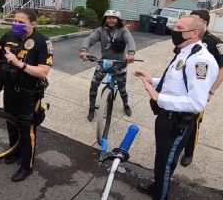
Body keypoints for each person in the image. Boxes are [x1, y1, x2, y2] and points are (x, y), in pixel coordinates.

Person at [134, 15, 218, 200]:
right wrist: (153, 80)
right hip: (166, 117)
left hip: (178, 122)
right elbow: (176, 83)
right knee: (161, 158)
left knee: (165, 163)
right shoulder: (185, 51)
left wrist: (158, 97)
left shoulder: (200, 61)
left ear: (194, 33)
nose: (174, 30)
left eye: (179, 27)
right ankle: (157, 186)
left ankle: (160, 195)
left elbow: (197, 102)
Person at [0, 8, 53, 182]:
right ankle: (13, 153)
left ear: (33, 24)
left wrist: (19, 64)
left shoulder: (42, 42)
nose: (16, 25)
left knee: (26, 129)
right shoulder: (8, 36)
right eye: (15, 21)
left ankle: (26, 165)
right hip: (9, 90)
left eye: (21, 23)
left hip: (29, 94)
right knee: (10, 124)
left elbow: (43, 72)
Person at [179, 10, 223, 167]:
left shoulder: (215, 42)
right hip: (182, 89)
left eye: (194, 19)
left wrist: (211, 91)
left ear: (204, 23)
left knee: (193, 123)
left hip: (200, 92)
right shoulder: (187, 37)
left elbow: (222, 68)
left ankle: (189, 152)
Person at [79, 10, 136, 122]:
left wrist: (131, 53)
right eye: (108, 17)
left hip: (120, 63)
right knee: (94, 85)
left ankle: (126, 105)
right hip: (104, 62)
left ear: (118, 20)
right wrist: (84, 50)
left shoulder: (123, 30)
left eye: (113, 18)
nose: (111, 19)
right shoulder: (100, 31)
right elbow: (89, 39)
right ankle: (91, 108)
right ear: (105, 19)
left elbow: (130, 41)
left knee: (122, 88)